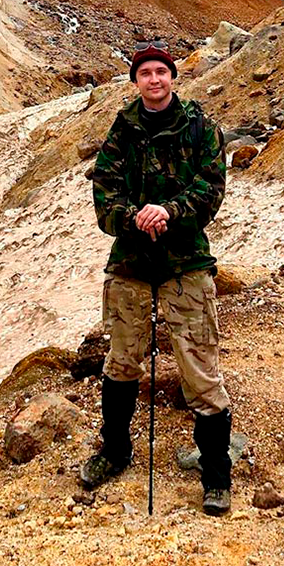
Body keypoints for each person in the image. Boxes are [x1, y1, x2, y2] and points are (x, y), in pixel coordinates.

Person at [81, 40, 232, 515]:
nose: (154, 79)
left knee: (200, 370)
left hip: (186, 261)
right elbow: (104, 196)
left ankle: (215, 476)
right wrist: (135, 219)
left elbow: (211, 190)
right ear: (135, 81)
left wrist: (169, 211)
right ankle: (115, 451)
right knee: (122, 361)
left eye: (160, 71)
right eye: (145, 72)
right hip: (131, 262)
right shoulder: (122, 131)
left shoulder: (202, 128)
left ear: (173, 77)